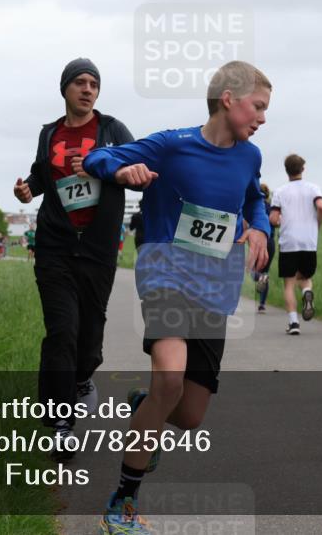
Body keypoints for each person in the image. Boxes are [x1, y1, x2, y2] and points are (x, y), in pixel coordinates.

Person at [82, 60, 272, 535]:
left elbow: (253, 200)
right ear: (228, 98)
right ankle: (122, 502)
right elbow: (97, 159)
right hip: (165, 270)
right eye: (259, 106)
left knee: (187, 415)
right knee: (170, 379)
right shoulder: (172, 144)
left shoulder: (250, 156)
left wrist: (261, 230)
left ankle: (148, 404)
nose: (263, 118)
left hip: (217, 284)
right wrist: (125, 171)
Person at [13, 58, 135, 460]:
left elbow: (136, 165)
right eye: (80, 82)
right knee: (62, 331)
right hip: (55, 245)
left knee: (89, 340)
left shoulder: (112, 130)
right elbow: (41, 176)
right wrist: (27, 189)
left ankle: (83, 378)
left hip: (99, 247)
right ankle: (61, 424)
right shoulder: (49, 133)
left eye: (94, 83)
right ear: (65, 89)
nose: (87, 89)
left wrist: (105, 166)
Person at [270, 153, 322, 334]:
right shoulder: (313, 188)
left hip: (288, 241)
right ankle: (306, 293)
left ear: (286, 170)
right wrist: (317, 223)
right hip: (309, 241)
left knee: (289, 283)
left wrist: (280, 222)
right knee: (305, 277)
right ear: (303, 168)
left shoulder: (280, 191)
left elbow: (273, 218)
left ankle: (294, 323)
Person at [249, 183, 276, 313]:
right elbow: (277, 221)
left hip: (258, 242)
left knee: (253, 270)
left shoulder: (254, 207)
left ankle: (259, 277)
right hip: (270, 242)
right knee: (265, 271)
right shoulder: (271, 208)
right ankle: (262, 305)